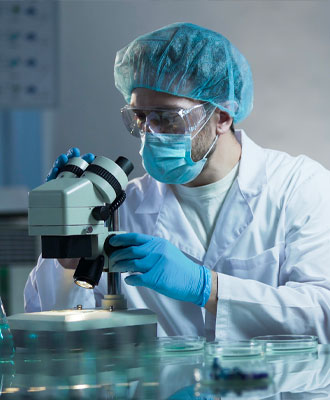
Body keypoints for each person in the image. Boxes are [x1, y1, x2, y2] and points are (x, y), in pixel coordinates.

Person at [24, 22, 330, 342]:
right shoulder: (121, 205)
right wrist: (67, 258)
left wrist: (207, 287)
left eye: (169, 118)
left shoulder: (300, 187)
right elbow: (49, 331)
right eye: (140, 118)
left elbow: (323, 314)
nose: (151, 132)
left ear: (223, 116)